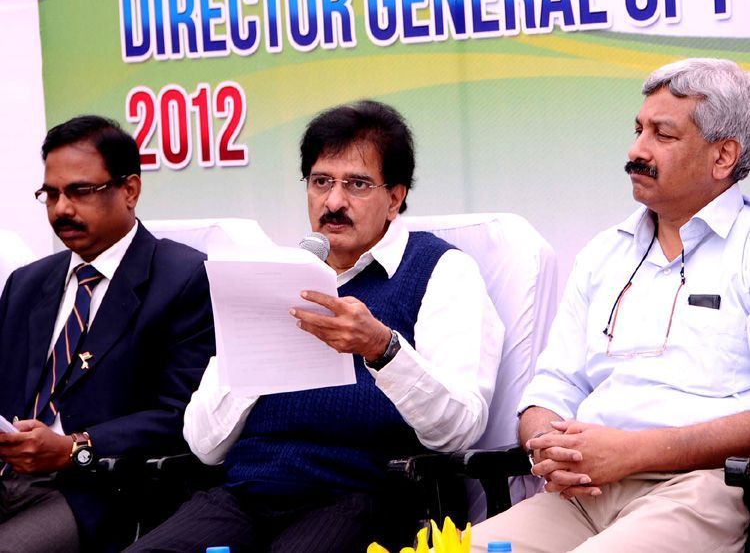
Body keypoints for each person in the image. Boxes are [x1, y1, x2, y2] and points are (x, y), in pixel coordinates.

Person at [128, 99, 504, 552]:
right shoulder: (271, 275)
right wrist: (258, 346)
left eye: (357, 184)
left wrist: (382, 349)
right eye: (321, 181)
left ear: (395, 198)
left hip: (363, 497)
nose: (334, 202)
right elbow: (204, 445)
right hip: (244, 496)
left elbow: (460, 428)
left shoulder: (441, 271)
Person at [471, 57, 750, 552]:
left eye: (662, 135)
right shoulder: (605, 252)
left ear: (723, 156)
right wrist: (550, 444)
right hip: (581, 491)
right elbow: (554, 385)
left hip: (697, 487)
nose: (636, 150)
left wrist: (635, 451)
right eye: (638, 129)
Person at [0, 116, 215, 552]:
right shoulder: (26, 283)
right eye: (51, 194)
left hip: (100, 489)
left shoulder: (185, 278)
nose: (62, 209)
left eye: (80, 191)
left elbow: (182, 415)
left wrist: (73, 446)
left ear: (130, 190)